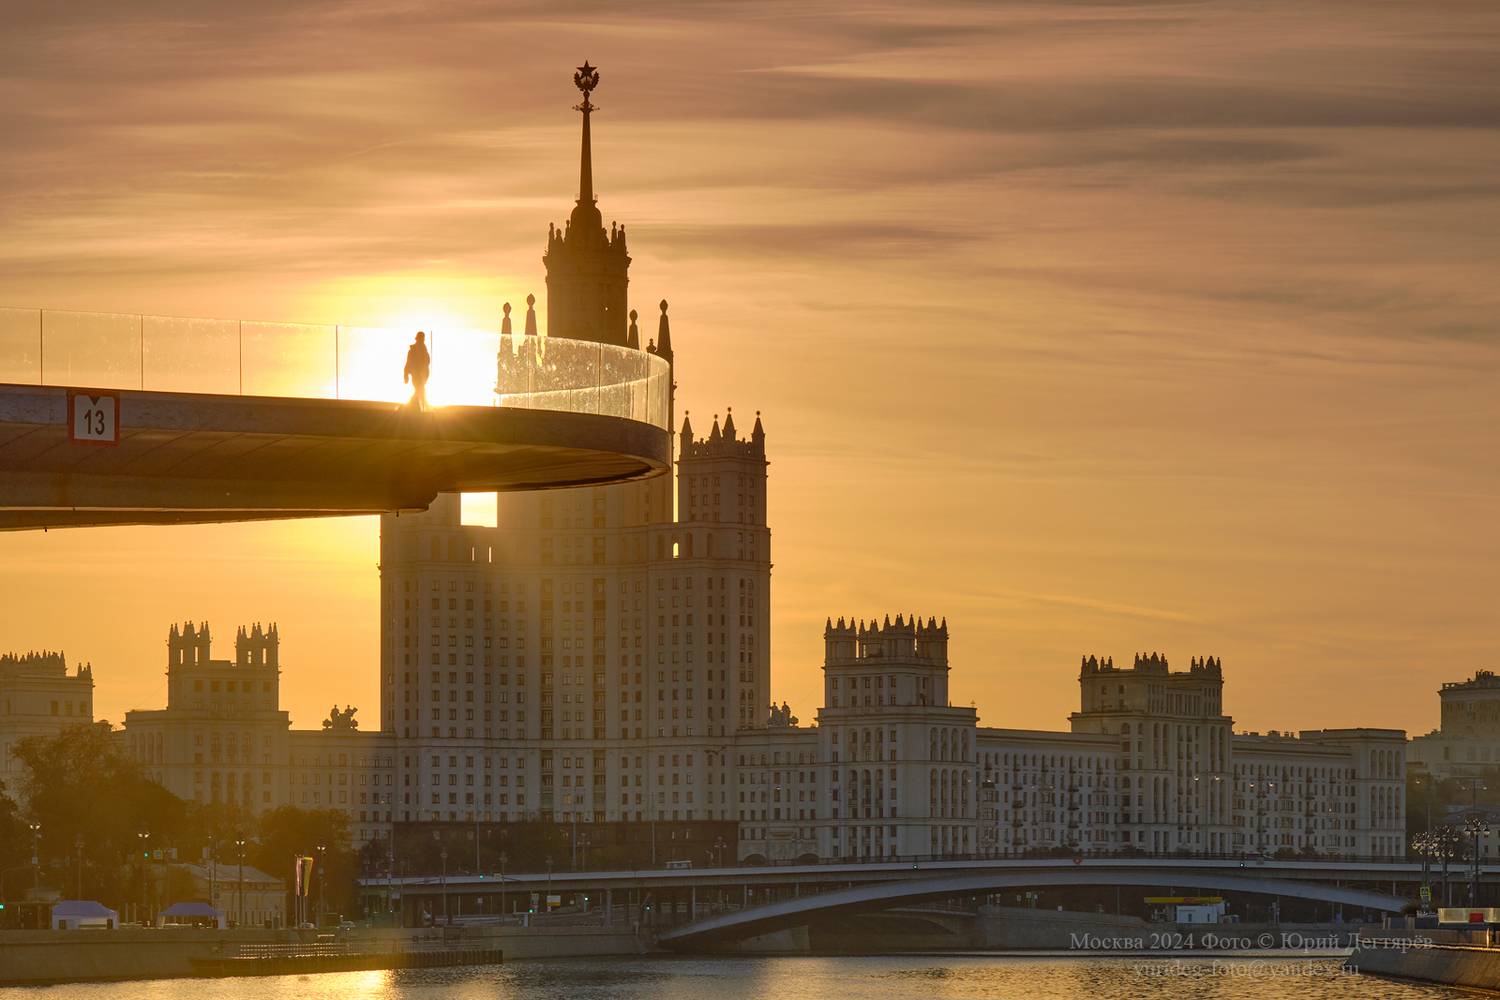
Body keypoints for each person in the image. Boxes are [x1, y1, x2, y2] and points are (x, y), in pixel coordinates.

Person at [404, 331, 430, 411]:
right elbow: (408, 363)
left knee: (420, 390)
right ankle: (414, 407)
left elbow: (427, 362)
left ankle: (415, 407)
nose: (421, 340)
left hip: (423, 375)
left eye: (422, 339)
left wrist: (406, 374)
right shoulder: (413, 350)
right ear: (418, 339)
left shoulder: (424, 350)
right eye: (421, 339)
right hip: (417, 375)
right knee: (420, 390)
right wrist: (406, 375)